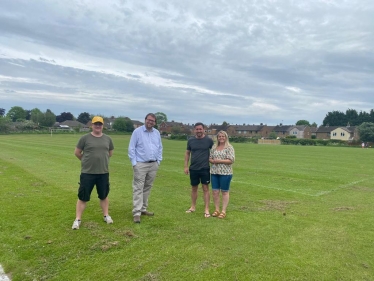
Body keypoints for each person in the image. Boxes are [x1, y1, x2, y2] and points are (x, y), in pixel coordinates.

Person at [72, 116, 114, 230]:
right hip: (88, 173)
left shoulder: (108, 139)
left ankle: (106, 215)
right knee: (83, 197)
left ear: (103, 125)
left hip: (103, 172)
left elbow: (110, 153)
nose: (98, 126)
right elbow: (77, 152)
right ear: (92, 125)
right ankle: (78, 219)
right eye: (96, 124)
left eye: (100, 124)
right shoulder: (85, 138)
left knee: (104, 196)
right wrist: (86, 161)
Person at [128, 113, 163, 223]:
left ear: (155, 122)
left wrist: (158, 161)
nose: (150, 122)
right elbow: (131, 148)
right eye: (149, 120)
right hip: (141, 164)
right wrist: (134, 163)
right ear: (145, 120)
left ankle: (143, 209)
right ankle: (136, 212)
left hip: (153, 164)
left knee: (147, 187)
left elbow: (160, 147)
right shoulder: (137, 132)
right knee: (138, 187)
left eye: (152, 121)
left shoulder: (156, 133)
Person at [184, 122, 214, 218]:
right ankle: (193, 207)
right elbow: (187, 153)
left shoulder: (209, 140)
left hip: (205, 168)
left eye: (200, 129)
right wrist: (186, 166)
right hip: (193, 168)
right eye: (197, 129)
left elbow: (214, 152)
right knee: (194, 188)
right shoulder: (191, 140)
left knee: (205, 188)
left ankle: (206, 209)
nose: (199, 131)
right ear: (194, 130)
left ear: (203, 129)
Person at [209, 131, 235, 219]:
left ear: (226, 137)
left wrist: (219, 161)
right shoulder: (214, 147)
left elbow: (231, 160)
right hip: (214, 172)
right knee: (215, 191)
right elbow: (210, 157)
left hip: (225, 173)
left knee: (224, 191)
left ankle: (223, 211)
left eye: (223, 136)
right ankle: (216, 209)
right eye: (219, 136)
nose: (221, 138)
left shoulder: (229, 148)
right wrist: (212, 161)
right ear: (217, 138)